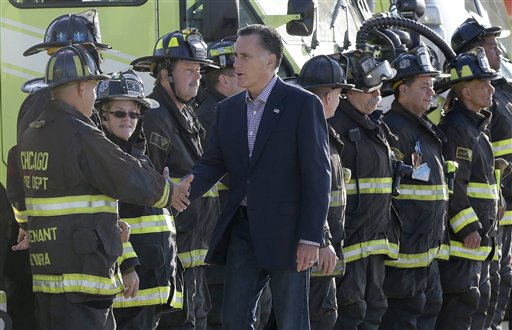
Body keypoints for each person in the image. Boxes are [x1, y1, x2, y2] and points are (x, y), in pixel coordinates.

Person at [6, 45, 191, 330]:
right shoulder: (81, 135)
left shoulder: (33, 135)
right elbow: (125, 174)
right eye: (93, 89)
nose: (94, 98)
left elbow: (24, 191)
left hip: (48, 274)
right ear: (81, 87)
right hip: (84, 277)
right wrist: (169, 191)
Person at [186, 24, 331, 329]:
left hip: (289, 234)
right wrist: (183, 189)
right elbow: (213, 163)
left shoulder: (303, 104)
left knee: (292, 321)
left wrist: (311, 237)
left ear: (270, 61)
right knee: (233, 319)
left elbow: (318, 175)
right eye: (235, 56)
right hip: (242, 229)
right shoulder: (228, 110)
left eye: (244, 57)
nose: (235, 64)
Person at [131, 28, 219, 330]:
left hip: (193, 253)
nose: (197, 77)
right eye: (189, 70)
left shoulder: (187, 114)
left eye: (199, 70)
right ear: (165, 73)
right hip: (172, 256)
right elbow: (145, 187)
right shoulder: (154, 118)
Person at [95, 70, 182, 329]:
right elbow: (105, 216)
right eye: (119, 113)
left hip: (152, 278)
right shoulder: (106, 157)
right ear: (102, 116)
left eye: (134, 113)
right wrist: (127, 265)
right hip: (132, 282)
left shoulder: (139, 157)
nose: (128, 120)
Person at [379, 45, 449, 329]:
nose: (431, 92)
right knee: (402, 318)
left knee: (428, 311)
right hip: (404, 256)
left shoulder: (423, 129)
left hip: (427, 253)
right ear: (402, 90)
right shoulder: (392, 130)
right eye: (424, 86)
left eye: (432, 86)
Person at [329, 50, 399, 330]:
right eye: (371, 89)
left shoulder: (374, 126)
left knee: (374, 308)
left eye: (379, 89)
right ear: (348, 91)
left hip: (375, 243)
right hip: (349, 245)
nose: (377, 95)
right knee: (350, 311)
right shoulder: (335, 127)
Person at [451, 17, 512, 329]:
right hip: (481, 227)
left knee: (491, 295)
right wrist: (469, 225)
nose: (498, 51)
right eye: (490, 46)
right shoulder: (463, 122)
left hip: (495, 218)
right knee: (472, 300)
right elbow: (457, 180)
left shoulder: (495, 102)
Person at [435, 47, 500, 330]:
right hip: (464, 246)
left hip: (479, 244)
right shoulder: (458, 128)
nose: (490, 89)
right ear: (465, 92)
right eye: (483, 84)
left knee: (477, 307)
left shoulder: (476, 127)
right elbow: (454, 183)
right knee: (460, 311)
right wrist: (466, 227)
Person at [296, 54, 351, 330]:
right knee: (320, 318)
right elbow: (309, 192)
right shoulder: (312, 134)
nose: (340, 101)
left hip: (317, 248)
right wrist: (322, 240)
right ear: (328, 97)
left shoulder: (320, 131)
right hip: (315, 251)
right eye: (340, 94)